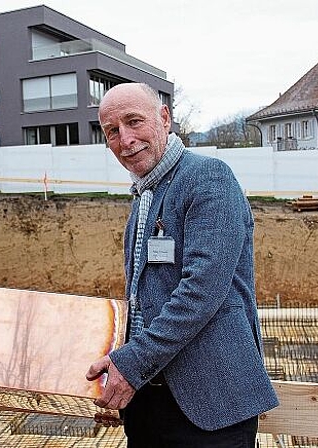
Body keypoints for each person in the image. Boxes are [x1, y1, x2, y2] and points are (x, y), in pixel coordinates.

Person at [86, 83, 278, 447]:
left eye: (133, 122)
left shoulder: (208, 178)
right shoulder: (146, 195)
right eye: (112, 131)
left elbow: (200, 292)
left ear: (164, 118)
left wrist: (132, 361)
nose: (125, 140)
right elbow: (144, 298)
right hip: (148, 397)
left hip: (209, 405)